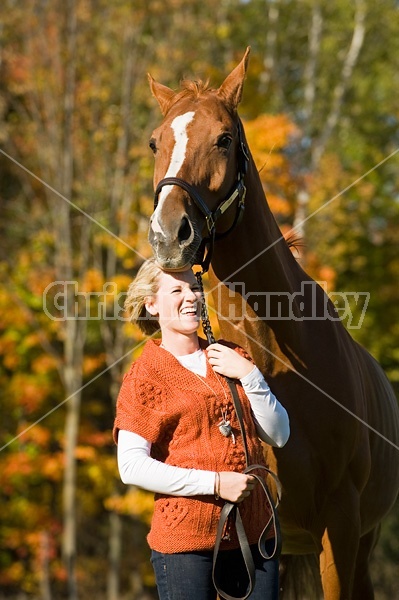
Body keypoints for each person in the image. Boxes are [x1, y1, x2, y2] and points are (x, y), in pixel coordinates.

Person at [113, 258, 290, 600]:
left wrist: (251, 377)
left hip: (255, 535)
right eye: (176, 289)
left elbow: (279, 435)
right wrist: (215, 483)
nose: (191, 296)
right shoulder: (144, 378)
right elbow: (130, 467)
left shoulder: (232, 356)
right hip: (185, 544)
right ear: (151, 303)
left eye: (194, 287)